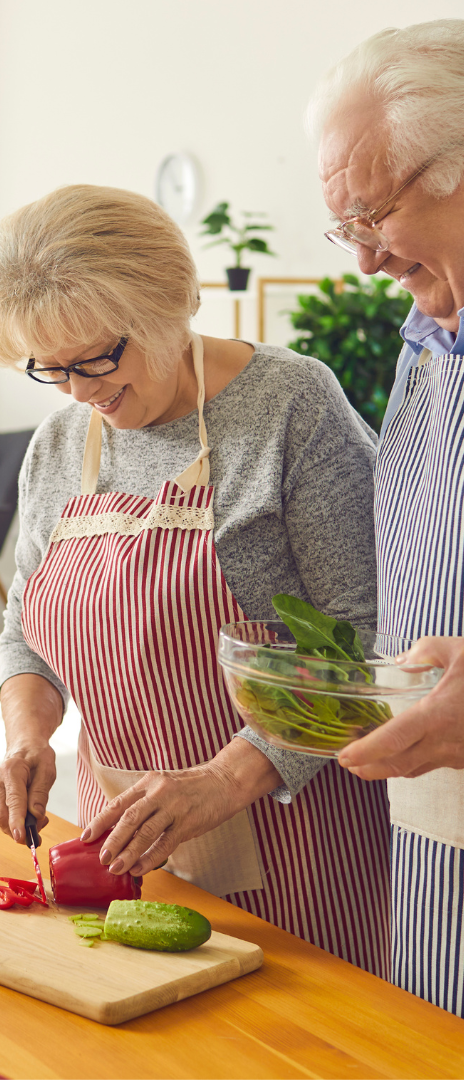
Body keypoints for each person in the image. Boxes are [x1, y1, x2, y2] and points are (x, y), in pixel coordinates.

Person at [0, 184, 392, 975]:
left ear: (170, 303)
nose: (81, 392)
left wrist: (223, 781)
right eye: (50, 370)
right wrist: (29, 736)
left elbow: (364, 642)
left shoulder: (291, 407)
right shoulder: (59, 444)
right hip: (125, 846)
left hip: (295, 839)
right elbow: (29, 626)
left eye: (96, 358)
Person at [310, 19, 464, 1014]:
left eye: (373, 214)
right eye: (344, 225)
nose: (363, 261)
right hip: (437, 835)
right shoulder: (425, 335)